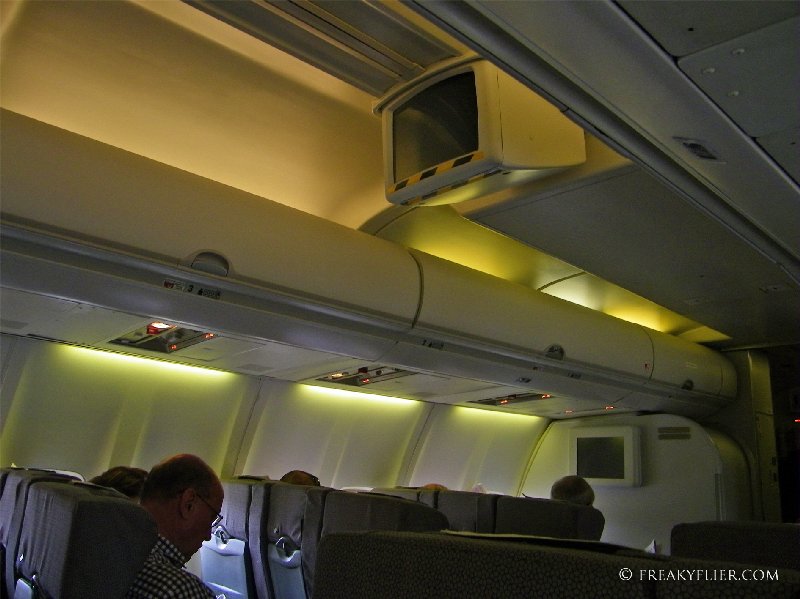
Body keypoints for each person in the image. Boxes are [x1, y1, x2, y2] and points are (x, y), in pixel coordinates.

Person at [126, 454, 224, 598]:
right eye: (211, 517)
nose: (208, 536)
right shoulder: (179, 589)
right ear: (188, 504)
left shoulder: (113, 554)